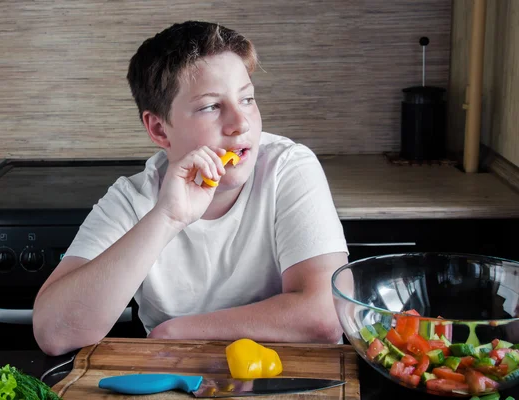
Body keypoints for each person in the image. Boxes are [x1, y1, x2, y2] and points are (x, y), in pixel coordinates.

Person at [33, 20, 349, 357]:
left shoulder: (287, 167)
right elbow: (54, 333)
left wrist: (177, 331)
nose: (240, 123)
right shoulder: (133, 199)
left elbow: (326, 317)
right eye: (211, 106)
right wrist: (167, 217)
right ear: (159, 130)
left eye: (247, 99)